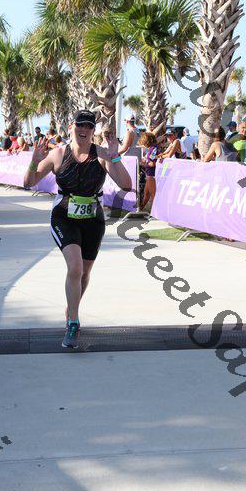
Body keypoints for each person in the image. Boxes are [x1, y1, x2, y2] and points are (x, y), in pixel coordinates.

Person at [24, 109, 132, 350]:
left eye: (89, 126)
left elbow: (126, 185)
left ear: (93, 130)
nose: (84, 130)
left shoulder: (101, 154)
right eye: (80, 125)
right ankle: (73, 323)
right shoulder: (58, 154)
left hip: (93, 219)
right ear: (71, 126)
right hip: (64, 217)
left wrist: (115, 157)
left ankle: (71, 308)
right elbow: (28, 182)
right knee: (75, 268)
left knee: (84, 273)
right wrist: (34, 160)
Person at [139, 132, 158, 211]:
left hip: (151, 174)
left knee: (154, 195)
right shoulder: (152, 148)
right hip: (149, 174)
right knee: (146, 194)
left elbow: (152, 163)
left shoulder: (154, 149)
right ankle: (140, 209)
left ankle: (157, 213)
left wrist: (144, 164)